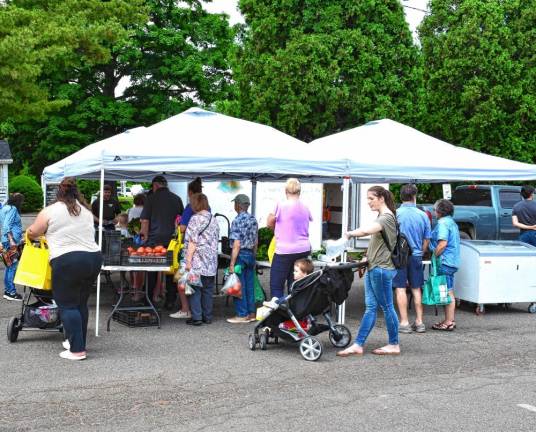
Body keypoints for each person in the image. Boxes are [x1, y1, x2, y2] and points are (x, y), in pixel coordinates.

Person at [27, 178, 102, 361]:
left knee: (67, 305)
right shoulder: (85, 210)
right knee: (80, 304)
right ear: (76, 193)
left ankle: (77, 351)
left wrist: (29, 231)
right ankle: (76, 341)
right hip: (93, 258)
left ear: (59, 193)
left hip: (67, 260)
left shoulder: (50, 210)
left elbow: (33, 232)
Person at [336, 185, 400, 357]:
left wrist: (348, 234)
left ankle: (394, 344)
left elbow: (366, 231)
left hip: (381, 269)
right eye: (367, 199)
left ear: (381, 198)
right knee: (371, 307)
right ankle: (358, 344)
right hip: (375, 267)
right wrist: (367, 257)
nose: (368, 202)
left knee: (387, 307)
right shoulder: (383, 216)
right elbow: (378, 244)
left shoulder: (386, 217)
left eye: (371, 198)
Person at [140, 175, 184, 309]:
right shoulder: (177, 199)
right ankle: (170, 300)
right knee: (170, 271)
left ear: (155, 185)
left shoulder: (151, 199)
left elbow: (145, 221)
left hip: (154, 240)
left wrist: (144, 237)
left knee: (152, 270)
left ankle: (149, 299)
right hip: (172, 241)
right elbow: (180, 220)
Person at [393, 184, 431, 334]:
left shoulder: (395, 213)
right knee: (416, 288)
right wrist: (421, 252)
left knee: (400, 288)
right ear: (414, 196)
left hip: (399, 257)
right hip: (416, 256)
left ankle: (404, 323)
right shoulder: (423, 215)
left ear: (401, 197)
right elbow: (427, 239)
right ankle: (420, 322)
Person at [267, 178, 312, 299]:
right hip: (303, 249)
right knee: (296, 284)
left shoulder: (280, 205)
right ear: (299, 192)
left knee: (276, 285)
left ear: (285, 191)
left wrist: (276, 231)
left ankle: (279, 314)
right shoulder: (305, 206)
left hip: (284, 250)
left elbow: (269, 222)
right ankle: (297, 313)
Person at [180, 193, 219, 326]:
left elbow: (192, 242)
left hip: (198, 260)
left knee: (195, 288)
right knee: (208, 289)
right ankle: (207, 317)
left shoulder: (195, 219)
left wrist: (188, 261)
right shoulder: (213, 219)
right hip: (211, 260)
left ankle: (197, 317)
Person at [171, 177, 205, 319]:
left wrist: (176, 225)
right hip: (204, 249)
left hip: (190, 249)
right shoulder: (207, 207)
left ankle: (186, 309)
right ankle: (202, 311)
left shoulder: (189, 207)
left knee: (182, 278)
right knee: (200, 282)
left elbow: (183, 228)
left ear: (190, 192)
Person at [227, 194, 259, 324]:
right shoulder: (253, 219)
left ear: (238, 205)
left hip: (240, 255)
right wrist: (254, 256)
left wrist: (232, 263)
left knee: (238, 286)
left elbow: (237, 244)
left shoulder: (237, 220)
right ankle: (251, 313)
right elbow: (256, 241)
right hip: (250, 255)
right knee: (249, 286)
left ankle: (242, 314)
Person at [430, 199, 460, 331]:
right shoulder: (452, 222)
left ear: (439, 211)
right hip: (452, 261)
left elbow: (442, 244)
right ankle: (449, 320)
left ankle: (449, 322)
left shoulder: (442, 223)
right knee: (449, 290)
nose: (433, 211)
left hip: (445, 261)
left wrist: (434, 255)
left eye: (434, 209)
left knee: (447, 292)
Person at [0, 193, 25, 301]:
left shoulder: (5, 207)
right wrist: (12, 240)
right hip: (11, 243)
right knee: (12, 267)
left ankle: (8, 291)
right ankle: (11, 293)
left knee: (9, 267)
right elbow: (6, 225)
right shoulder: (13, 208)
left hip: (7, 241)